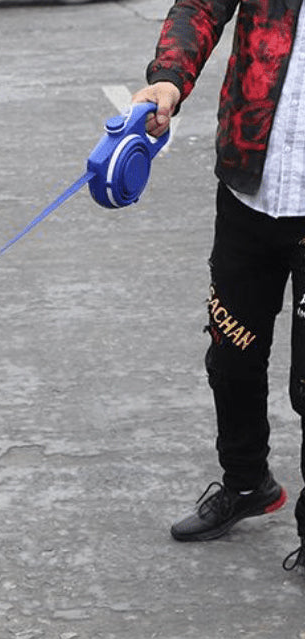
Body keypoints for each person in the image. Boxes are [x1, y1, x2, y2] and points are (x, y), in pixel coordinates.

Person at [131, 0, 305, 566]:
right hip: (248, 184)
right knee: (231, 354)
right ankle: (247, 481)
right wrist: (167, 81)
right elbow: (200, 7)